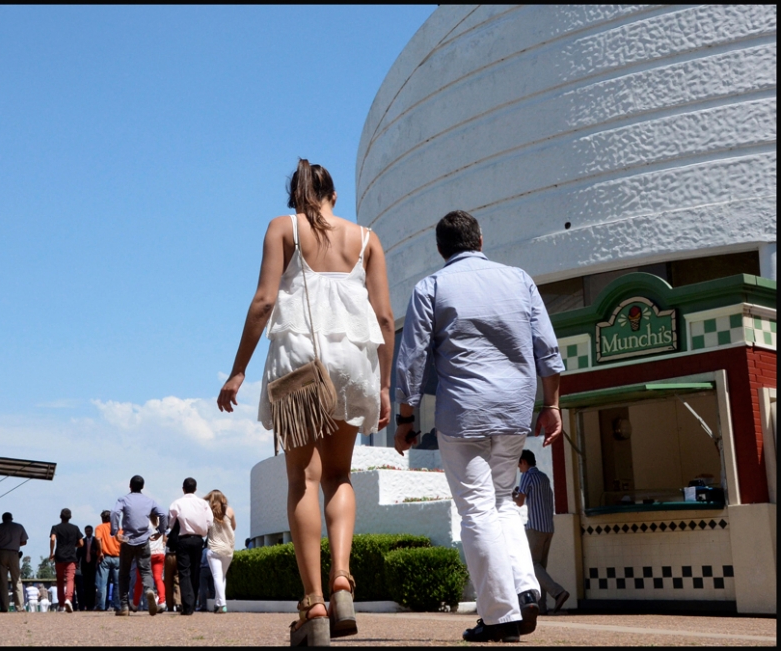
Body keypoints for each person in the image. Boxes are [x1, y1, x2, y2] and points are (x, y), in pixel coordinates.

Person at [217, 159, 394, 645]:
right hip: (356, 362)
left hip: (299, 360)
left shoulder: (284, 228)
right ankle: (342, 580)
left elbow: (263, 302)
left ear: (296, 197)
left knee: (303, 478)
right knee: (339, 476)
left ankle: (313, 602)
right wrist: (383, 387)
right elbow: (384, 319)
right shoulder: (367, 239)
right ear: (332, 193)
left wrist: (238, 370)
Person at [393, 210, 564, 643]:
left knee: (476, 510)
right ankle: (525, 588)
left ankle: (499, 614)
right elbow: (547, 346)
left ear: (440, 249)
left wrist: (406, 418)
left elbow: (411, 358)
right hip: (513, 412)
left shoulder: (430, 287)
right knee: (504, 501)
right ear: (481, 239)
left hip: (462, 414)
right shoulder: (519, 279)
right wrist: (553, 404)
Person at [516, 450, 570, 615]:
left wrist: (512, 495)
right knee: (541, 569)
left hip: (535, 527)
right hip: (548, 527)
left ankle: (558, 592)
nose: (519, 468)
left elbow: (519, 502)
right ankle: (543, 607)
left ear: (524, 462)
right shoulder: (544, 477)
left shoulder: (527, 476)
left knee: (531, 567)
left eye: (519, 464)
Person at [111, 475, 166, 616]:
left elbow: (115, 513)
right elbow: (163, 514)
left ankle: (124, 606)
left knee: (124, 573)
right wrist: (161, 531)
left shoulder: (123, 499)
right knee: (146, 571)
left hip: (127, 540)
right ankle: (149, 590)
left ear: (130, 486)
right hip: (143, 540)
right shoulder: (149, 501)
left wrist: (115, 531)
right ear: (142, 487)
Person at [167, 478, 214, 616]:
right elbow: (210, 522)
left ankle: (187, 605)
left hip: (183, 539)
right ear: (196, 489)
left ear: (183, 489)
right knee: (195, 571)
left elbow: (171, 523)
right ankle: (192, 604)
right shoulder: (202, 503)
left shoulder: (177, 503)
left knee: (184, 572)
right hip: (198, 540)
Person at [0, 512, 29, 613]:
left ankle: (4, 607)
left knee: (2, 580)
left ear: (3, 519)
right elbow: (24, 542)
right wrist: (14, 543)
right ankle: (20, 606)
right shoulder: (19, 527)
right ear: (11, 518)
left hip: (1, 552)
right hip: (14, 553)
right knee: (16, 579)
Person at [204, 490, 236, 614]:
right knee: (222, 577)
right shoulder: (230, 511)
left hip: (214, 548)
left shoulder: (208, 512)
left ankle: (222, 604)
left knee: (217, 577)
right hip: (228, 549)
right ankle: (218, 603)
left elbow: (204, 528)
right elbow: (234, 527)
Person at [49, 508, 83, 613]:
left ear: (60, 516)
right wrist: (73, 545)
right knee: (70, 579)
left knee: (59, 581)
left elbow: (53, 539)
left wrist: (51, 552)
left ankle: (61, 604)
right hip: (71, 557)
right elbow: (81, 543)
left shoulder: (56, 527)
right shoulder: (75, 528)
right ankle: (68, 599)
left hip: (59, 556)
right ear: (70, 517)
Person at [133, 514, 167, 612]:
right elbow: (165, 537)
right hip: (159, 553)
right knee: (158, 579)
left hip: (146, 554)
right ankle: (162, 602)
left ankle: (135, 604)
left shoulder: (143, 522)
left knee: (139, 579)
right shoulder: (160, 522)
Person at [94, 511, 121, 611]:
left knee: (102, 583)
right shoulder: (118, 529)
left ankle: (101, 605)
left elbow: (97, 539)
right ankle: (118, 605)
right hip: (117, 557)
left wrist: (100, 551)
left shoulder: (99, 527)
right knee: (117, 583)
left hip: (105, 557)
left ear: (102, 518)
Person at [77, 525, 98, 611]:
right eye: (86, 531)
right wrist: (77, 562)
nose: (88, 532)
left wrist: (95, 552)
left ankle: (92, 605)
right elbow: (78, 553)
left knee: (92, 586)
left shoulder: (96, 541)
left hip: (93, 566)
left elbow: (100, 550)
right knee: (85, 586)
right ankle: (86, 605)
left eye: (89, 531)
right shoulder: (83, 541)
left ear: (92, 531)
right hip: (85, 566)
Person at [163, 520, 182, 612]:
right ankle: (178, 602)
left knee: (168, 581)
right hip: (179, 555)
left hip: (169, 555)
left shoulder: (167, 530)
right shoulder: (182, 530)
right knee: (178, 580)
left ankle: (169, 605)